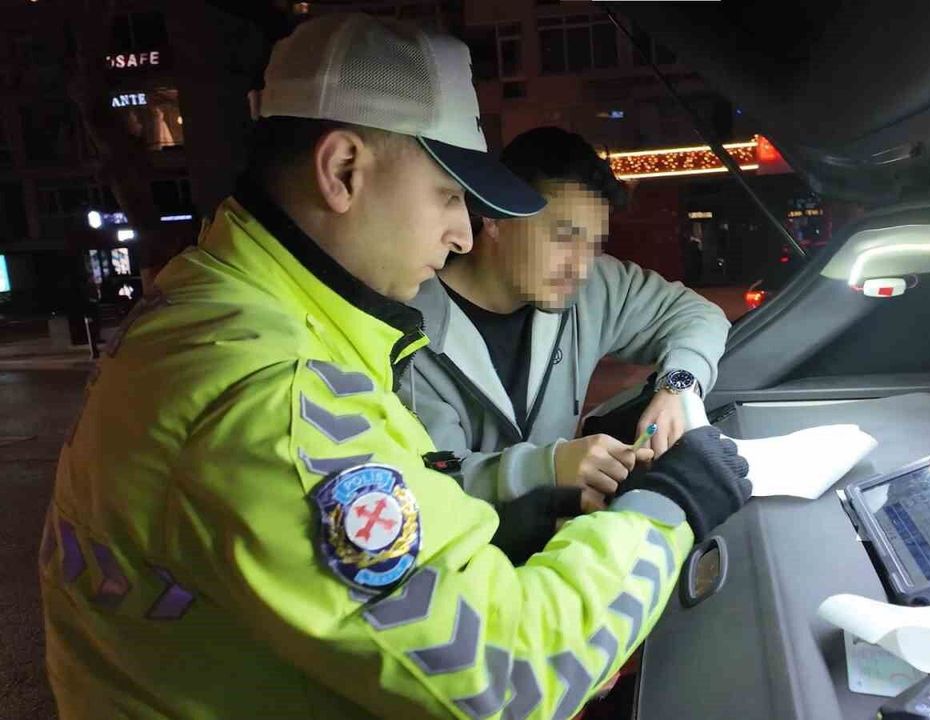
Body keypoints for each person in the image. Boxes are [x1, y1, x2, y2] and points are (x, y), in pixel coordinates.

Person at [39, 14, 750, 719]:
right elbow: (508, 675)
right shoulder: (272, 398)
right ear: (343, 171)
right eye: (448, 194)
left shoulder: (221, 301)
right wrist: (671, 505)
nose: (464, 233)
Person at [400, 127, 732, 528]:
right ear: (494, 217)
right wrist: (548, 467)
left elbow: (698, 315)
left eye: (594, 246)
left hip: (568, 543)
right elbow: (427, 480)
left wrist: (678, 386)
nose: (581, 266)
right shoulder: (401, 330)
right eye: (563, 237)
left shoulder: (592, 290)